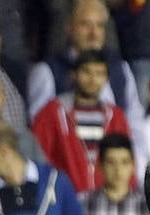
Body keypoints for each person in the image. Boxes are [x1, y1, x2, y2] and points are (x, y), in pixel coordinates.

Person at [27, 0, 144, 128]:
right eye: (85, 25)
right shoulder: (47, 71)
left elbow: (134, 121)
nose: (93, 33)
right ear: (69, 29)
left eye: (99, 26)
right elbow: (39, 125)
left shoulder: (121, 69)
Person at [32, 49, 132, 194]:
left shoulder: (116, 116)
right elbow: (39, 158)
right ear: (73, 75)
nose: (92, 79)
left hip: (106, 201)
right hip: (64, 199)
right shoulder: (52, 113)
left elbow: (127, 160)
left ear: (106, 79)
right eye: (86, 72)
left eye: (99, 73)